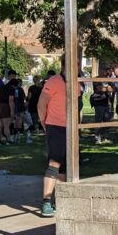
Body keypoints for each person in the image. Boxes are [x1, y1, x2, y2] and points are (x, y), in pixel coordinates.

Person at [37, 57, 79, 217]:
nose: (75, 67)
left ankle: (59, 200)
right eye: (72, 64)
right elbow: (41, 104)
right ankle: (46, 202)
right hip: (55, 127)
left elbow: (77, 105)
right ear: (63, 65)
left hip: (71, 128)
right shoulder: (53, 81)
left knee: (65, 166)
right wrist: (43, 122)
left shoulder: (77, 82)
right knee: (54, 163)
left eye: (76, 65)